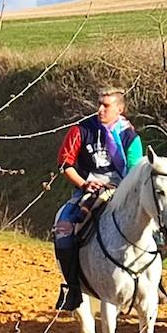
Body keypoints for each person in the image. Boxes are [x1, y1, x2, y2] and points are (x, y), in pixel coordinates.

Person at [53, 87, 145, 310]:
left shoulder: (130, 136)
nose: (100, 109)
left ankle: (154, 284)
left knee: (155, 233)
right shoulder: (81, 130)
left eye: (106, 105)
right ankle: (73, 288)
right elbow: (65, 164)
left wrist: (119, 189)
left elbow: (136, 172)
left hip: (122, 193)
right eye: (99, 104)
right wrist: (84, 183)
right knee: (63, 232)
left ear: (120, 109)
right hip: (88, 191)